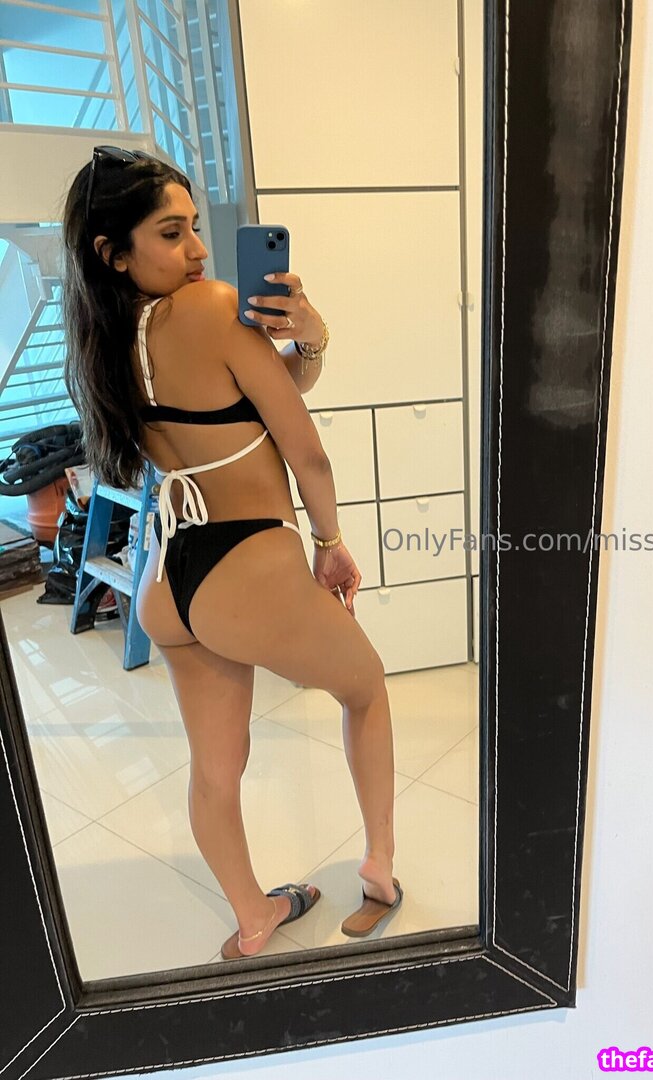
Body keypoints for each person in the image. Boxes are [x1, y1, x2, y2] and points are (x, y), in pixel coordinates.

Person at [61, 146, 403, 960]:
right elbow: (305, 450)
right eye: (171, 233)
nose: (198, 249)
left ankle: (253, 918)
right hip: (246, 559)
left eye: (194, 227)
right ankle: (381, 869)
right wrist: (329, 542)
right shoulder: (213, 308)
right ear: (114, 251)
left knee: (215, 769)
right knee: (366, 690)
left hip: (167, 579)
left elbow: (244, 401)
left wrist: (307, 344)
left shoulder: (107, 335)